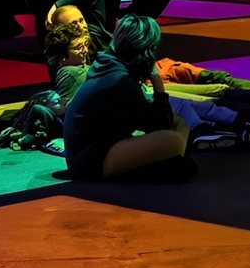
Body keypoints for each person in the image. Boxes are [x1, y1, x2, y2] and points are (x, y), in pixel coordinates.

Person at [60, 14, 195, 182]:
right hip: (90, 161)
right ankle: (175, 159)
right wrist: (157, 81)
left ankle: (173, 160)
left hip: (86, 155)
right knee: (175, 138)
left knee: (179, 126)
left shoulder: (107, 66)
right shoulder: (120, 81)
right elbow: (160, 124)